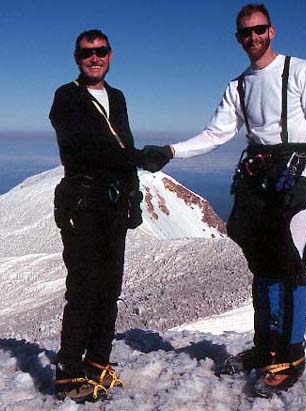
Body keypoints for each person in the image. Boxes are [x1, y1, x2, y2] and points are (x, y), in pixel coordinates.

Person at [145, 3, 306, 397]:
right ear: (238, 37)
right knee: (263, 267)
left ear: (272, 31)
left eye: (259, 29)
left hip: (293, 175)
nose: (253, 37)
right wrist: (171, 151)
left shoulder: (300, 71)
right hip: (259, 179)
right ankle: (266, 348)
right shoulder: (239, 85)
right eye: (245, 32)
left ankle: (291, 355)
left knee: (290, 266)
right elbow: (215, 134)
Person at [49, 29, 167, 403]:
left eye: (100, 51)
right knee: (83, 290)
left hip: (113, 204)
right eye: (87, 52)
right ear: (76, 57)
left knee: (109, 289)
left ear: (111, 55)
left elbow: (122, 142)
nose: (94, 58)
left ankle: (98, 361)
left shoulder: (116, 97)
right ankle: (68, 374)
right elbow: (86, 146)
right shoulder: (66, 97)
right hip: (82, 203)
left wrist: (133, 194)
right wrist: (138, 159)